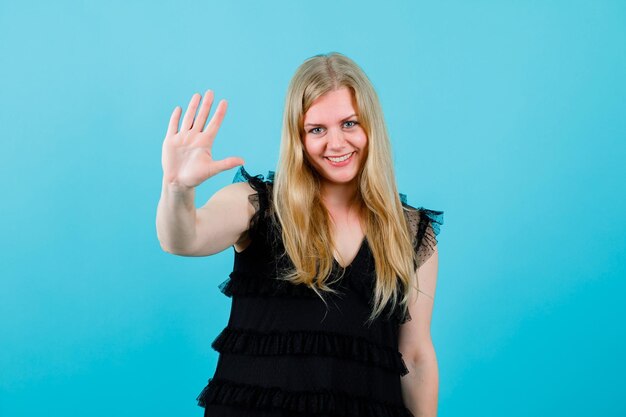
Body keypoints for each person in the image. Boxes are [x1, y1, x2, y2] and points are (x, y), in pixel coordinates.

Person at [156, 52, 444, 417]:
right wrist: (177, 189)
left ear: (372, 126)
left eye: (350, 123)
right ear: (298, 137)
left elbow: (416, 356)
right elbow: (182, 240)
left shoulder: (411, 232)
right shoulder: (255, 205)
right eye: (317, 129)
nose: (336, 143)